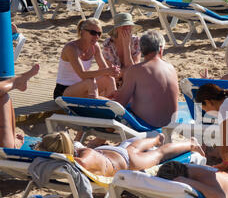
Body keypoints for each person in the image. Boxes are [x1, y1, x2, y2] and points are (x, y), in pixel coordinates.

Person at [35, 131, 205, 178]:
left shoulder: (84, 156)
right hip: (116, 153)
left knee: (159, 153)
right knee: (133, 146)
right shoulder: (78, 151)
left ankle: (191, 143)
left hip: (128, 160)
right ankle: (156, 138)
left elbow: (81, 163)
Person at [115, 30, 179, 129]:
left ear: (142, 49)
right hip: (171, 125)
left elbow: (119, 104)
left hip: (146, 126)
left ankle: (96, 141)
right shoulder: (171, 68)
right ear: (160, 49)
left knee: (113, 110)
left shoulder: (136, 70)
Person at [54, 18, 119, 100]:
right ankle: (104, 103)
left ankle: (111, 103)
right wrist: (107, 71)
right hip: (63, 91)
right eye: (93, 33)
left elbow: (104, 68)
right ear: (82, 32)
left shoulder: (95, 46)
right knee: (90, 81)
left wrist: (113, 71)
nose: (97, 36)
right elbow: (82, 74)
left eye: (99, 33)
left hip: (83, 86)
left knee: (109, 79)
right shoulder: (71, 48)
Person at [0, 64, 40, 148]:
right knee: (3, 98)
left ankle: (16, 82)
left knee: (4, 97)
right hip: (5, 148)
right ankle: (15, 82)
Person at [102, 13, 142, 84]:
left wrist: (126, 46)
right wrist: (124, 72)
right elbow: (113, 72)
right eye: (123, 26)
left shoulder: (136, 41)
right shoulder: (108, 44)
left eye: (129, 26)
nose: (126, 28)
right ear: (116, 29)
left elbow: (133, 70)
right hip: (115, 82)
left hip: (133, 80)